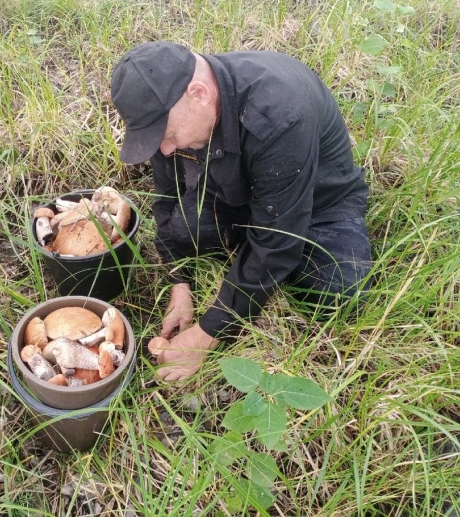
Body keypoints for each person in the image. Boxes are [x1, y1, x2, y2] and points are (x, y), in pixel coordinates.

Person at [110, 41, 373, 381]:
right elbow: (167, 196)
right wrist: (179, 283)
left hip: (318, 203)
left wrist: (206, 333)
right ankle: (249, 269)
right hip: (238, 191)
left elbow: (278, 236)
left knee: (340, 293)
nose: (165, 148)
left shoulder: (279, 112)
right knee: (183, 229)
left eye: (169, 135)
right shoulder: (172, 111)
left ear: (200, 93)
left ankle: (260, 272)